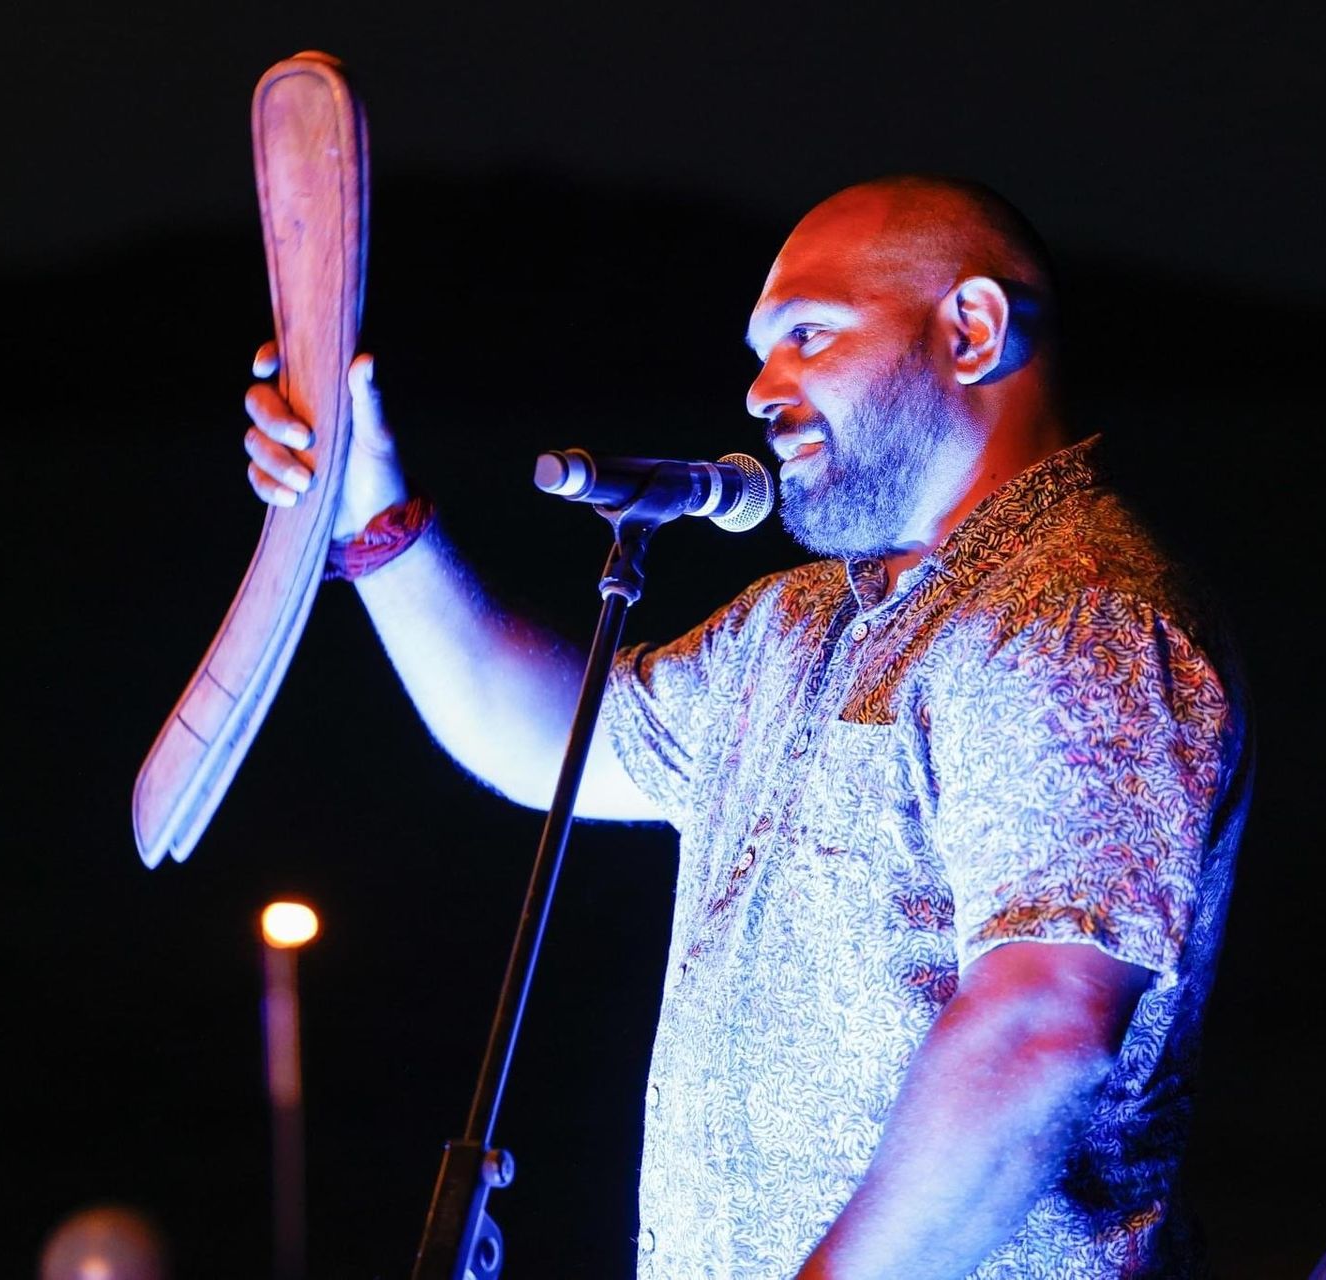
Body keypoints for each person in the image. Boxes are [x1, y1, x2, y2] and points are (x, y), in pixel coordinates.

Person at [243, 175, 1252, 1280]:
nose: (763, 390)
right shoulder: (794, 625)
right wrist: (372, 522)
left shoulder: (1072, 614)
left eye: (809, 335)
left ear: (972, 328)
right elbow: (543, 740)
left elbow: (1043, 1024)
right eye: (762, 351)